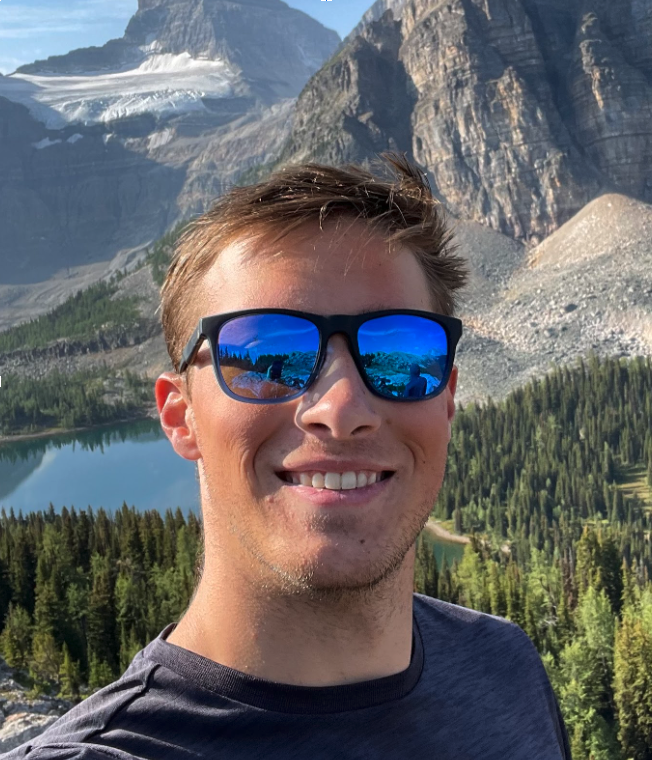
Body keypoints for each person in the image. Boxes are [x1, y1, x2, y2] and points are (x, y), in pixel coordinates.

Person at [2, 153, 572, 759]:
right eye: (264, 357)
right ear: (180, 415)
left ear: (447, 397)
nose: (341, 407)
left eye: (402, 354)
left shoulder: (507, 665)